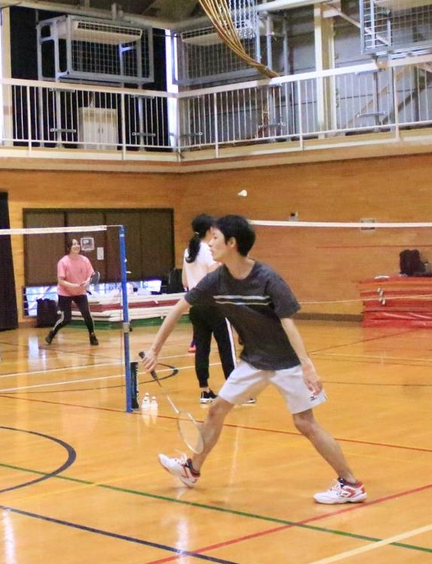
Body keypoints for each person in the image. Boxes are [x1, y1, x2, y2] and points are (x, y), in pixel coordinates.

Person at [140, 215, 365, 504]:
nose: (210, 243)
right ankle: (192, 470)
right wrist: (155, 349)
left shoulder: (268, 278)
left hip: (286, 362)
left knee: (305, 422)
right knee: (216, 410)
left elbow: (288, 324)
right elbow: (179, 308)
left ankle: (351, 483)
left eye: (216, 238)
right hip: (253, 360)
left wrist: (307, 366)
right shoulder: (216, 280)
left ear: (232, 243)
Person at [183, 214, 239, 405]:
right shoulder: (209, 251)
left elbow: (185, 281)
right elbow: (213, 279)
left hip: (195, 306)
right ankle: (236, 392)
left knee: (202, 348)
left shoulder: (188, 251)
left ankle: (205, 391)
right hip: (214, 305)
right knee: (226, 347)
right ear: (209, 230)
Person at [45, 240, 99, 347]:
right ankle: (52, 333)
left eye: (78, 244)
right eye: (74, 244)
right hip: (65, 293)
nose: (77, 246)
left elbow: (91, 275)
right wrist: (75, 285)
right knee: (66, 319)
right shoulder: (63, 262)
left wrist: (87, 282)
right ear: (69, 248)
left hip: (80, 292)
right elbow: (61, 281)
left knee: (87, 314)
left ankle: (92, 335)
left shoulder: (85, 260)